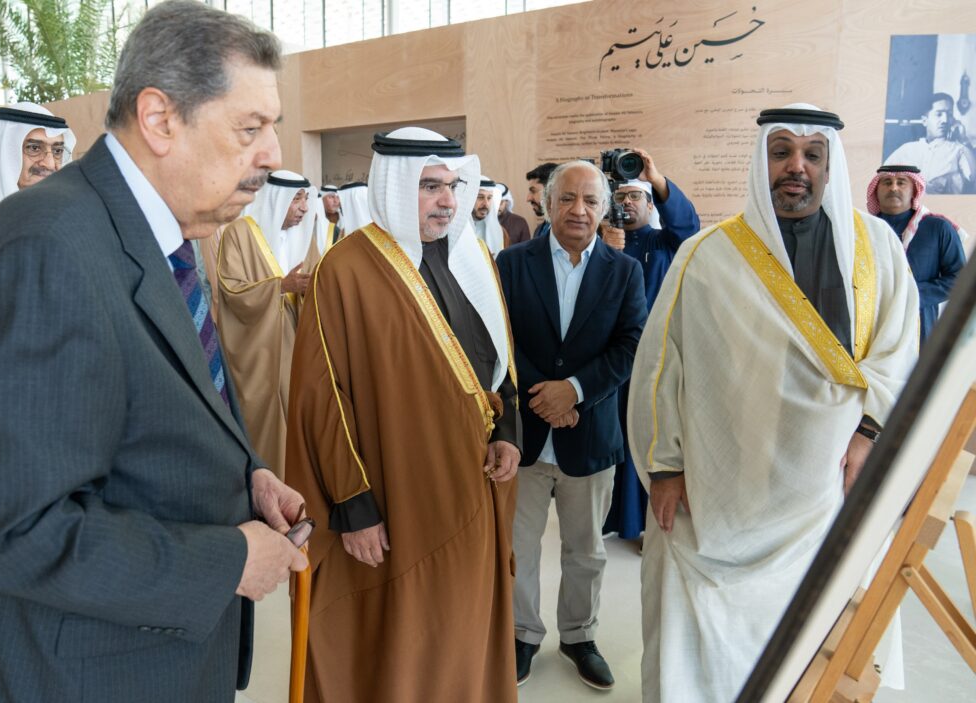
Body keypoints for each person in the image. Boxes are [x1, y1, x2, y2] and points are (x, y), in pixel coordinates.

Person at [0, 3, 309, 701]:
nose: (272, 154)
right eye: (250, 128)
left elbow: (151, 416)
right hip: (81, 675)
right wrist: (228, 560)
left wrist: (247, 475)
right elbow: (14, 529)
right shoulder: (49, 245)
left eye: (273, 128)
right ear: (159, 118)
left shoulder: (161, 235)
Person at [628, 104, 919, 703]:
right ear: (759, 161)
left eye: (812, 155)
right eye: (780, 152)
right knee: (711, 627)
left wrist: (870, 432)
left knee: (826, 626)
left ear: (831, 165)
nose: (796, 167)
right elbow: (661, 365)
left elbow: (898, 347)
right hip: (729, 487)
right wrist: (665, 466)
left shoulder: (877, 248)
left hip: (832, 482)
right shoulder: (707, 253)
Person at [284, 127, 520, 702]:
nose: (447, 201)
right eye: (429, 186)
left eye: (452, 186)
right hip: (394, 493)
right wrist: (353, 505)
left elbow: (500, 361)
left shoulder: (474, 257)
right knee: (406, 627)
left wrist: (508, 431)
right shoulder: (346, 269)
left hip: (473, 482)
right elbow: (324, 397)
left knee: (463, 617)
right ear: (393, 185)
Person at [497, 160, 647, 690]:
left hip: (590, 433)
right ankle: (522, 635)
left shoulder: (624, 271)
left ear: (603, 209)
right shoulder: (511, 263)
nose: (578, 210)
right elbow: (499, 337)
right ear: (547, 204)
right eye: (567, 198)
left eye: (590, 200)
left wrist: (576, 391)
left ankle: (580, 637)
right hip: (525, 438)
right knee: (519, 548)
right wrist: (545, 396)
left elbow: (631, 344)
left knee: (586, 550)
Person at [598, 150, 701, 545]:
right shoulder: (602, 244)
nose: (627, 203)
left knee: (648, 436)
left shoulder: (664, 243)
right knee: (615, 438)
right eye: (620, 197)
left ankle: (643, 525)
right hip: (612, 357)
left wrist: (655, 180)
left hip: (655, 357)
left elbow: (688, 226)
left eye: (635, 196)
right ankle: (614, 520)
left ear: (650, 204)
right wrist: (606, 249)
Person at [215, 171, 316, 481]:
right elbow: (231, 290)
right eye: (296, 199)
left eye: (305, 199)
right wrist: (280, 287)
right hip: (262, 349)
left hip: (298, 344)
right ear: (276, 200)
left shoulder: (304, 237)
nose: (303, 208)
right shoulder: (239, 234)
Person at [0, 102, 75, 316]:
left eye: (57, 151)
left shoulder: (63, 217)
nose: (49, 163)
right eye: (34, 148)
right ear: (4, 152)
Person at [867, 164, 966, 344]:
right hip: (871, 326)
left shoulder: (938, 228)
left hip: (919, 327)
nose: (893, 187)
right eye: (887, 182)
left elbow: (959, 279)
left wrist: (909, 296)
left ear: (914, 190)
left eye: (901, 182)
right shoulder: (862, 228)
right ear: (876, 191)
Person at [885, 93, 976, 194]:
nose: (945, 120)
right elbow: (882, 177)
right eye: (939, 114)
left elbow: (973, 177)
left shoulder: (959, 149)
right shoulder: (907, 149)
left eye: (949, 114)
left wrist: (963, 139)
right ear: (925, 121)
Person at [473, 175, 509, 256]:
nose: (486, 204)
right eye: (480, 197)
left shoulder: (502, 233)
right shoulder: (457, 233)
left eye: (489, 198)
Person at [526, 162, 558, 238]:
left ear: (551, 191)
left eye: (533, 191)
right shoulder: (539, 230)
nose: (528, 198)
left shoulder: (569, 231)